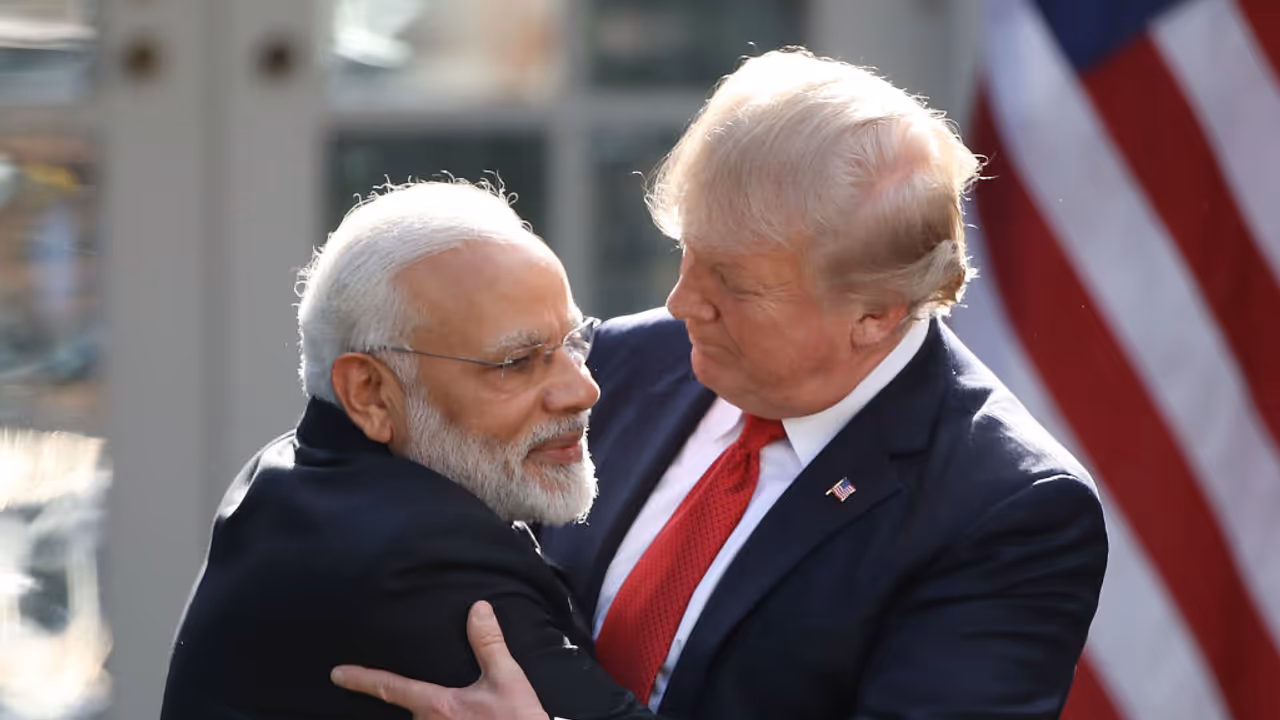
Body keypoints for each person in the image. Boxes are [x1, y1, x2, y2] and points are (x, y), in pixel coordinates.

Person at [333, 48, 1110, 719]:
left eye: (733, 283)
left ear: (877, 314)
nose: (680, 304)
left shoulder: (1008, 513)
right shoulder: (629, 362)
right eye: (687, 253)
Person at [158, 181, 653, 720]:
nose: (583, 390)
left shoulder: (293, 472)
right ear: (369, 393)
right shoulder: (423, 556)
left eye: (574, 344)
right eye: (517, 361)